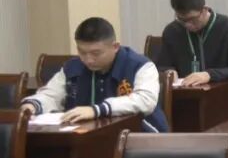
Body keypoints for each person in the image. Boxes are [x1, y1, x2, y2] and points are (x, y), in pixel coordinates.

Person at [21, 17, 168, 132]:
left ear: (115, 47)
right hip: (88, 137)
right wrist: (32, 105)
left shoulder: (140, 65)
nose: (88, 60)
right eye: (82, 52)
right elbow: (51, 95)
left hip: (140, 138)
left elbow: (145, 100)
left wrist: (97, 110)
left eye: (96, 53)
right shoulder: (72, 67)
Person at [155, 0, 228, 88]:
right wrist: (168, 72)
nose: (188, 25)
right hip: (183, 94)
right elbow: (161, 65)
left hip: (222, 93)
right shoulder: (172, 31)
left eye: (192, 19)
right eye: (182, 20)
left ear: (205, 9)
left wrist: (210, 75)